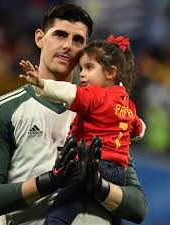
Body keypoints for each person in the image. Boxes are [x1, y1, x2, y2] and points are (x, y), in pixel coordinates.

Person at [0, 3, 148, 225]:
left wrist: (98, 185)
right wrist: (49, 181)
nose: (67, 46)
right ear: (39, 38)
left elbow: (138, 207)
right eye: (60, 35)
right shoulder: (2, 110)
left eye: (78, 40)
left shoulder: (105, 112)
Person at [19, 34, 146, 225]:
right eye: (81, 69)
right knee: (112, 215)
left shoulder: (95, 96)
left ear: (110, 73)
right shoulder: (128, 104)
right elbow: (139, 129)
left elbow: (69, 93)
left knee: (60, 212)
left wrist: (42, 84)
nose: (82, 74)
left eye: (89, 67)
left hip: (91, 166)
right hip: (118, 174)